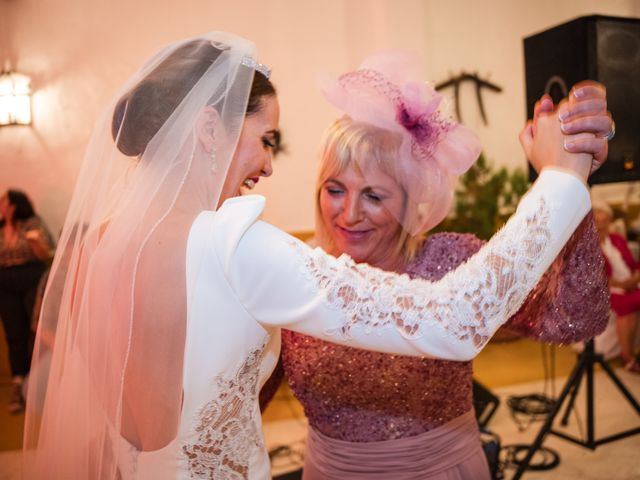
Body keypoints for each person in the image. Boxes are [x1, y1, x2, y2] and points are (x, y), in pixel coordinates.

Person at [23, 33, 601, 480]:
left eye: (374, 194)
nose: (270, 164)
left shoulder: (101, 243)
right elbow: (449, 319)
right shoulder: (233, 242)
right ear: (207, 127)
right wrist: (561, 178)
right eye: (267, 138)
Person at [279, 51, 612, 479]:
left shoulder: (451, 260)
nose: (348, 214)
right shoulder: (293, 271)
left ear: (408, 200)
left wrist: (569, 184)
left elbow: (576, 319)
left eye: (374, 196)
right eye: (335, 189)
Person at [0, 189, 54, 414]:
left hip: (31, 279)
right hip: (6, 283)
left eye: (3, 202)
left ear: (13, 205)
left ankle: (37, 387)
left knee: (35, 332)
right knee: (14, 334)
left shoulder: (32, 223)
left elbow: (47, 255)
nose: (1, 205)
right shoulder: (2, 228)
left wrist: (36, 245)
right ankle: (18, 385)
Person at [593, 201, 640, 373]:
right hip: (610, 288)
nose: (601, 226)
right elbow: (600, 277)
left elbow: (634, 264)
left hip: (630, 283)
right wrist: (623, 284)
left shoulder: (618, 240)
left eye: (605, 221)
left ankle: (630, 354)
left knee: (635, 302)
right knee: (628, 305)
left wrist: (634, 278)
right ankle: (627, 357)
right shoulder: (591, 246)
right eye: (597, 222)